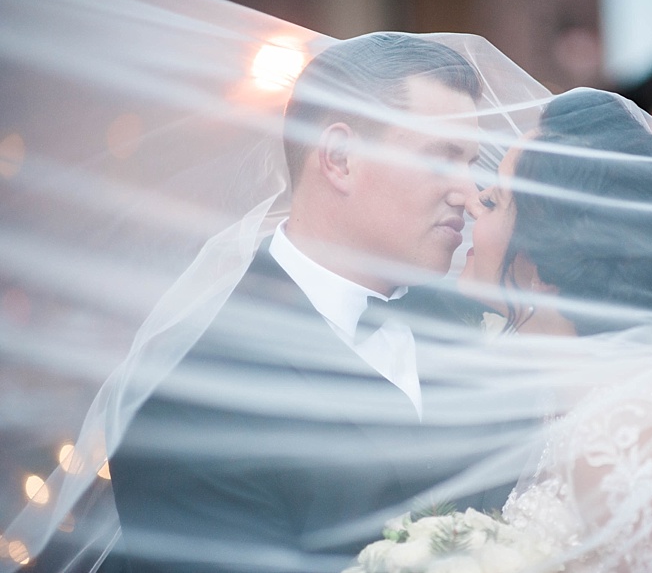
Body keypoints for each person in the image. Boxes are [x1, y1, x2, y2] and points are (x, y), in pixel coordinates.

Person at [93, 32, 540, 573]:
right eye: (442, 158)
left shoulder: (486, 325)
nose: (468, 194)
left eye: (471, 163)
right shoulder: (190, 408)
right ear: (339, 158)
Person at [457, 88, 652, 571]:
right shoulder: (589, 409)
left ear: (545, 266)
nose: (470, 207)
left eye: (495, 200)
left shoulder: (632, 437)